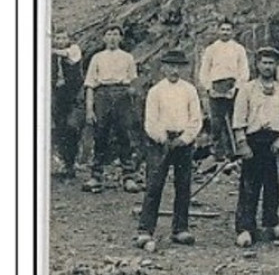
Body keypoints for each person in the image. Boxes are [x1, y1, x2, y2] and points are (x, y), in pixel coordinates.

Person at [135, 49, 204, 252]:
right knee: (154, 185)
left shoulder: (190, 90)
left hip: (182, 142)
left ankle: (180, 229)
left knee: (183, 186)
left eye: (178, 66)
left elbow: (196, 119)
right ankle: (145, 230)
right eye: (170, 66)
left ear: (183, 68)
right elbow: (150, 121)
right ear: (163, 68)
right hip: (160, 142)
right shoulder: (156, 91)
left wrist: (185, 138)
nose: (174, 70)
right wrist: (161, 138)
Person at [231, 47, 279, 247]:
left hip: (273, 143)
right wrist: (242, 143)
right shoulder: (247, 89)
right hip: (253, 141)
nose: (267, 67)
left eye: (271, 63)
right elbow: (238, 119)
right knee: (249, 186)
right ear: (257, 64)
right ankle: (245, 228)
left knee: (273, 185)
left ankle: (271, 224)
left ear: (276, 65)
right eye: (264, 62)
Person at [82, 25, 140, 193]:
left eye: (116, 34)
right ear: (104, 38)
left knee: (124, 135)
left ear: (121, 38)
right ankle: (96, 176)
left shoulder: (128, 57)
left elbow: (133, 81)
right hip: (102, 95)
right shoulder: (97, 58)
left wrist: (131, 93)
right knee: (101, 134)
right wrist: (89, 109)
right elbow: (90, 85)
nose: (113, 38)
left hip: (122, 95)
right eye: (109, 34)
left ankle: (128, 176)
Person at [197, 19, 250, 161]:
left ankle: (234, 151)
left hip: (233, 85)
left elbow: (244, 71)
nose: (225, 32)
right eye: (223, 29)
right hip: (216, 86)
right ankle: (218, 153)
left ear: (232, 32)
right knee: (216, 121)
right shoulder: (211, 49)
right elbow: (204, 71)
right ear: (218, 30)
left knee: (235, 119)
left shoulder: (239, 49)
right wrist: (209, 88)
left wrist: (236, 88)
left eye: (228, 30)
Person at [50, 29, 84, 182]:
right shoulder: (52, 56)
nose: (60, 40)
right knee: (59, 129)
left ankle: (71, 164)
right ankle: (64, 164)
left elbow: (68, 56)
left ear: (68, 38)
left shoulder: (73, 49)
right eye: (58, 37)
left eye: (63, 37)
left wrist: (49, 49)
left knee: (72, 128)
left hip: (73, 96)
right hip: (58, 97)